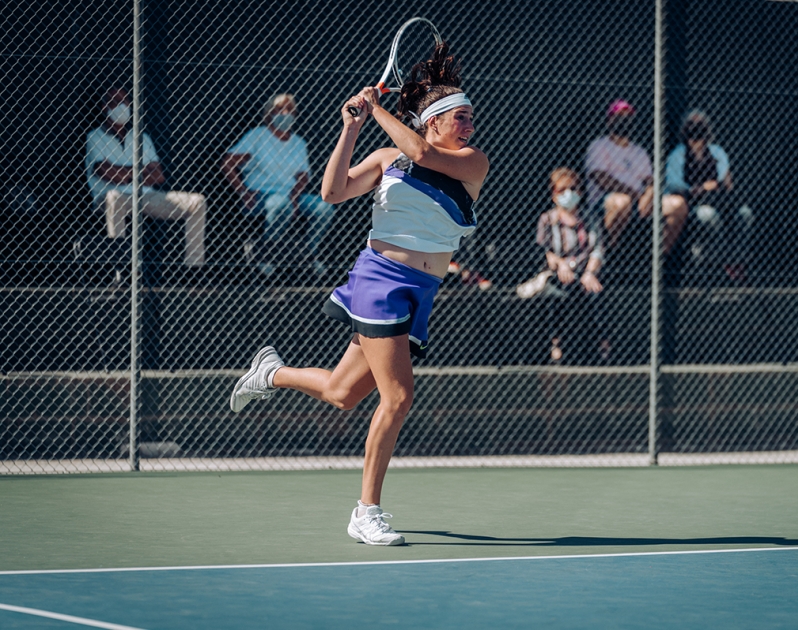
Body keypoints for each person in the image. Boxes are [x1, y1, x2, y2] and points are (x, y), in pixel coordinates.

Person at [228, 44, 488, 546]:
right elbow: (332, 192)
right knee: (399, 396)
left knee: (343, 395)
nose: (469, 124)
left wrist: (377, 109)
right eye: (460, 117)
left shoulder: (470, 161)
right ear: (432, 120)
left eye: (471, 116)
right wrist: (351, 127)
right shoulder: (388, 158)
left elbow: (423, 154)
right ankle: (366, 511)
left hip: (422, 290)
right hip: (380, 280)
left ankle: (271, 372)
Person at [85, 87, 207, 271]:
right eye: (115, 102)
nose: (121, 106)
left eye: (125, 102)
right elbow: (105, 172)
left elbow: (158, 176)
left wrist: (125, 174)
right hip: (109, 197)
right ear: (104, 107)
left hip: (145, 196)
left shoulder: (141, 137)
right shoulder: (94, 137)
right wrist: (141, 171)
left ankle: (194, 269)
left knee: (197, 202)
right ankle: (122, 270)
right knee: (115, 197)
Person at [221, 93, 334, 276]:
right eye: (279, 109)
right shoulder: (258, 136)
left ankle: (308, 255)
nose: (285, 113)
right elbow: (228, 163)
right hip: (261, 195)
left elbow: (303, 176)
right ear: (269, 113)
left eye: (289, 109)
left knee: (323, 208)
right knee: (281, 205)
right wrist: (243, 192)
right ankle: (264, 256)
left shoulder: (298, 143)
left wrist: (295, 197)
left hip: (290, 195)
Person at [519, 167, 605, 364]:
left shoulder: (590, 218)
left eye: (573, 188)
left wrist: (590, 273)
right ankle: (555, 343)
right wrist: (561, 265)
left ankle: (601, 345)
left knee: (595, 291)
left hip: (584, 273)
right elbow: (544, 251)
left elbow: (597, 250)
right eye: (562, 190)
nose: (569, 194)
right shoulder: (547, 219)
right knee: (554, 293)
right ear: (554, 194)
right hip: (558, 274)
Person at [664, 110, 750, 283]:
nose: (697, 130)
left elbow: (726, 183)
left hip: (717, 201)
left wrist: (719, 186)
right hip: (693, 203)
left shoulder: (716, 152)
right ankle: (715, 266)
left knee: (745, 214)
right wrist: (701, 188)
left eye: (701, 125)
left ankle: (735, 263)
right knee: (708, 216)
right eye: (693, 125)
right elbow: (674, 187)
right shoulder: (678, 154)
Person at [584, 100, 656, 253]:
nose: (624, 121)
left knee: (674, 205)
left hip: (639, 203)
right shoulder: (599, 146)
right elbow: (600, 177)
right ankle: (611, 250)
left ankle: (662, 259)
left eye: (628, 117)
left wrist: (648, 195)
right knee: (622, 201)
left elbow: (650, 180)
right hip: (604, 202)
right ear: (609, 120)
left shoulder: (640, 152)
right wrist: (633, 194)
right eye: (619, 116)